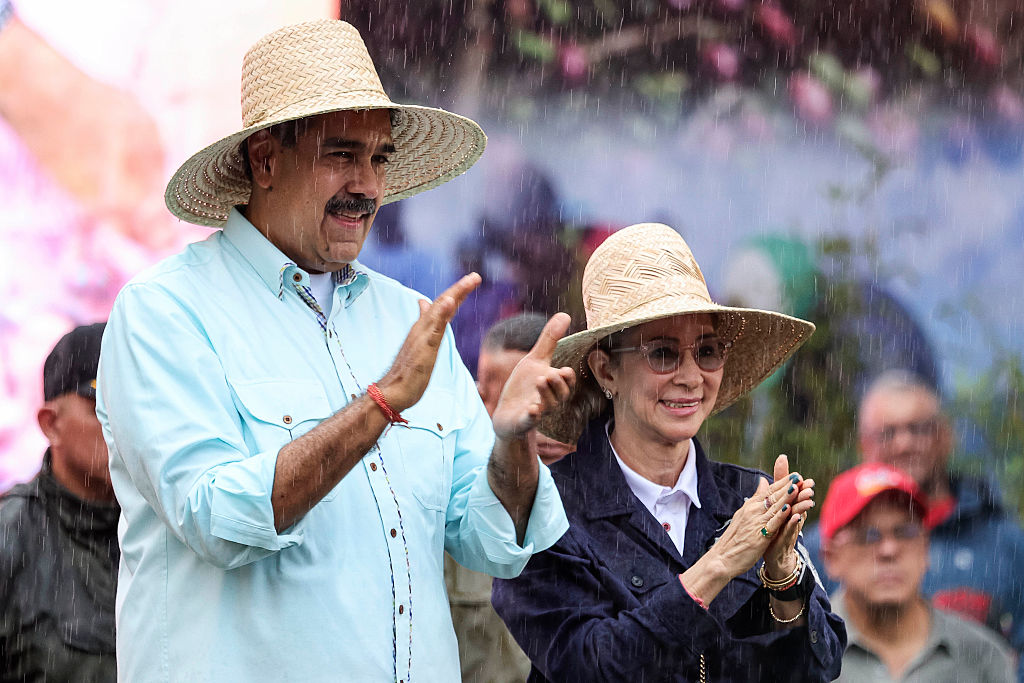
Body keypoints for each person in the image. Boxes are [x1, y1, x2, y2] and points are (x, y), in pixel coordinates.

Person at [97, 20, 574, 682]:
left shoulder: (408, 316)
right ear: (264, 160)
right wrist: (379, 404)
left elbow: (491, 539)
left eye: (378, 158)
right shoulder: (165, 312)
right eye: (342, 154)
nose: (369, 185)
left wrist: (514, 441)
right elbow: (217, 521)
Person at [493, 223, 846, 682]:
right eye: (662, 353)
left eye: (708, 350)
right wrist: (719, 564)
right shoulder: (547, 509)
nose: (691, 375)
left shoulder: (748, 495)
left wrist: (783, 575)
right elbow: (587, 667)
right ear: (606, 370)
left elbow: (817, 669)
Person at [803, 369, 1024, 680]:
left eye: (918, 429)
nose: (905, 443)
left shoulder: (1004, 542)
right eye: (888, 433)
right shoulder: (812, 550)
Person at [447, 313, 575, 682]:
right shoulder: (453, 504)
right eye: (486, 399)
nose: (505, 419)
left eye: (531, 401)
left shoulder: (620, 506)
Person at [820, 462, 1014, 682]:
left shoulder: (982, 655)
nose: (889, 550)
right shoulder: (802, 652)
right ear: (831, 558)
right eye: (867, 536)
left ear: (926, 548)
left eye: (905, 532)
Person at [0, 322, 119, 681]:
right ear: (51, 424)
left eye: (137, 408)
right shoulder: (9, 537)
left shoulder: (176, 527)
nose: (123, 425)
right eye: (102, 407)